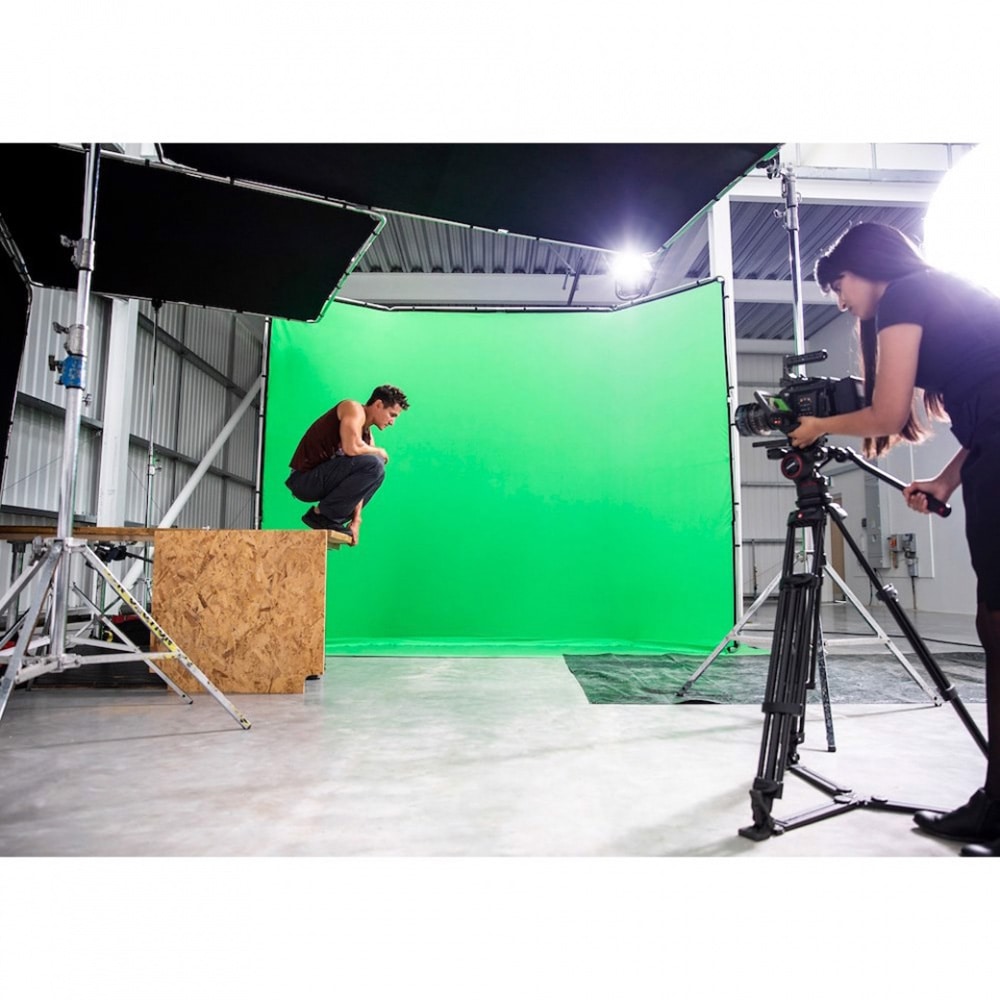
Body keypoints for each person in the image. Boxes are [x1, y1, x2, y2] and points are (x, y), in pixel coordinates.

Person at [787, 222, 1000, 857]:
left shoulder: (908, 293)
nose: (841, 301)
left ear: (867, 266)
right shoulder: (943, 295)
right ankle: (996, 801)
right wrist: (946, 479)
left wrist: (817, 426)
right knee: (994, 622)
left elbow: (886, 415)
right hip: (988, 454)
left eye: (840, 285)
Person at [286, 384, 409, 545]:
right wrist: (378, 451)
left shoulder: (367, 437)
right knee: (375, 463)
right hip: (304, 480)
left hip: (323, 482)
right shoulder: (353, 409)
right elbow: (351, 448)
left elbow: (360, 487)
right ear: (378, 404)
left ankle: (328, 518)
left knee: (377, 470)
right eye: (392, 415)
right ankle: (322, 516)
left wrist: (356, 521)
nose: (392, 422)